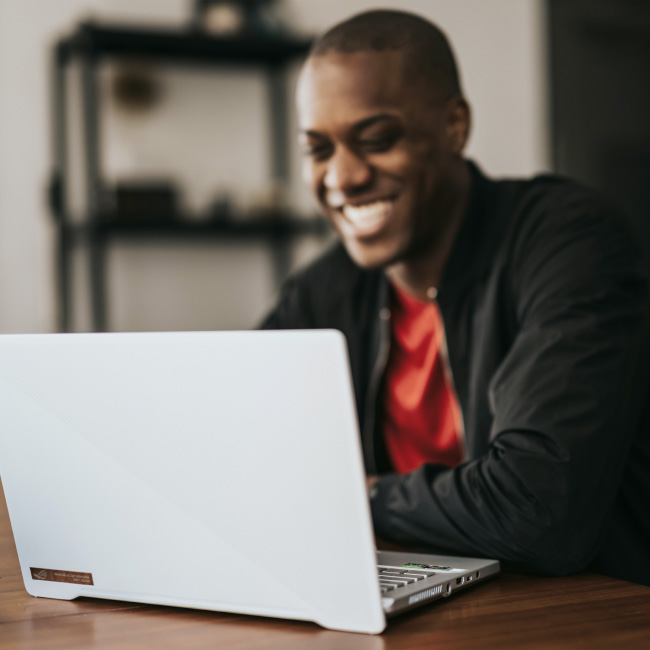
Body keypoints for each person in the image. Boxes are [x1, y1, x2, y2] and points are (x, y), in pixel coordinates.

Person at [261, 9, 650, 585]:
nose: (341, 178)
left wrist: (359, 494)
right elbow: (239, 448)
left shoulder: (570, 240)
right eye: (318, 150)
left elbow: (535, 512)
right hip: (428, 596)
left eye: (376, 139)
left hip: (587, 611)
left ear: (454, 125)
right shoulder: (327, 286)